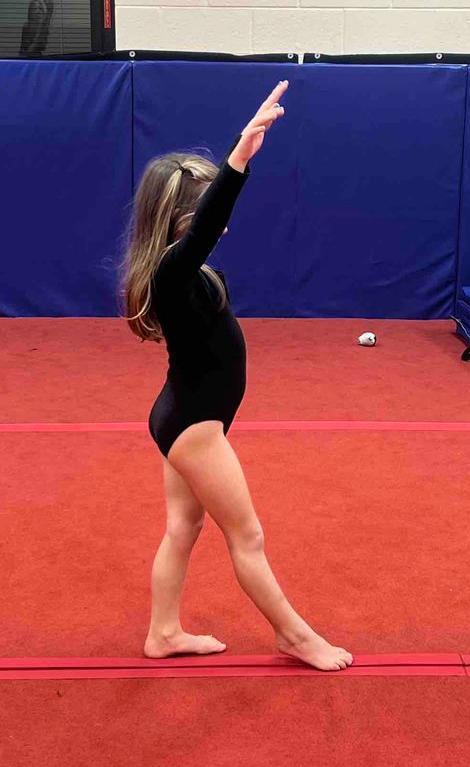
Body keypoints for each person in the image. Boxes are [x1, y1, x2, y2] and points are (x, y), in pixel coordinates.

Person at [121, 81, 351, 672]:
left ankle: (163, 633)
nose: (215, 226)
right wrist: (240, 156)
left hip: (183, 414)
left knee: (182, 528)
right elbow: (206, 226)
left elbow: (204, 231)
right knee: (246, 536)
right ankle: (294, 636)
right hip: (195, 425)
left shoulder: (181, 272)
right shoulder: (173, 271)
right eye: (201, 218)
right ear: (176, 224)